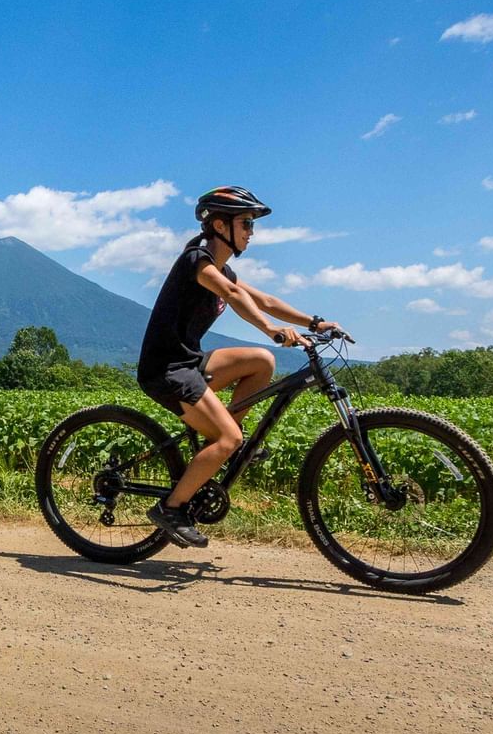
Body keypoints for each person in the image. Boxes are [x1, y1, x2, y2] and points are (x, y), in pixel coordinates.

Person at [136, 186, 344, 549]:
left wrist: (314, 322)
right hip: (166, 370)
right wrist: (270, 329)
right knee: (228, 439)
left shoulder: (223, 268)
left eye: (252, 224)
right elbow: (233, 297)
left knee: (262, 360)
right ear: (219, 225)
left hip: (190, 361)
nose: (251, 231)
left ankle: (227, 436)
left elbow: (262, 299)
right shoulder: (197, 260)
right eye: (246, 223)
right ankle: (172, 508)